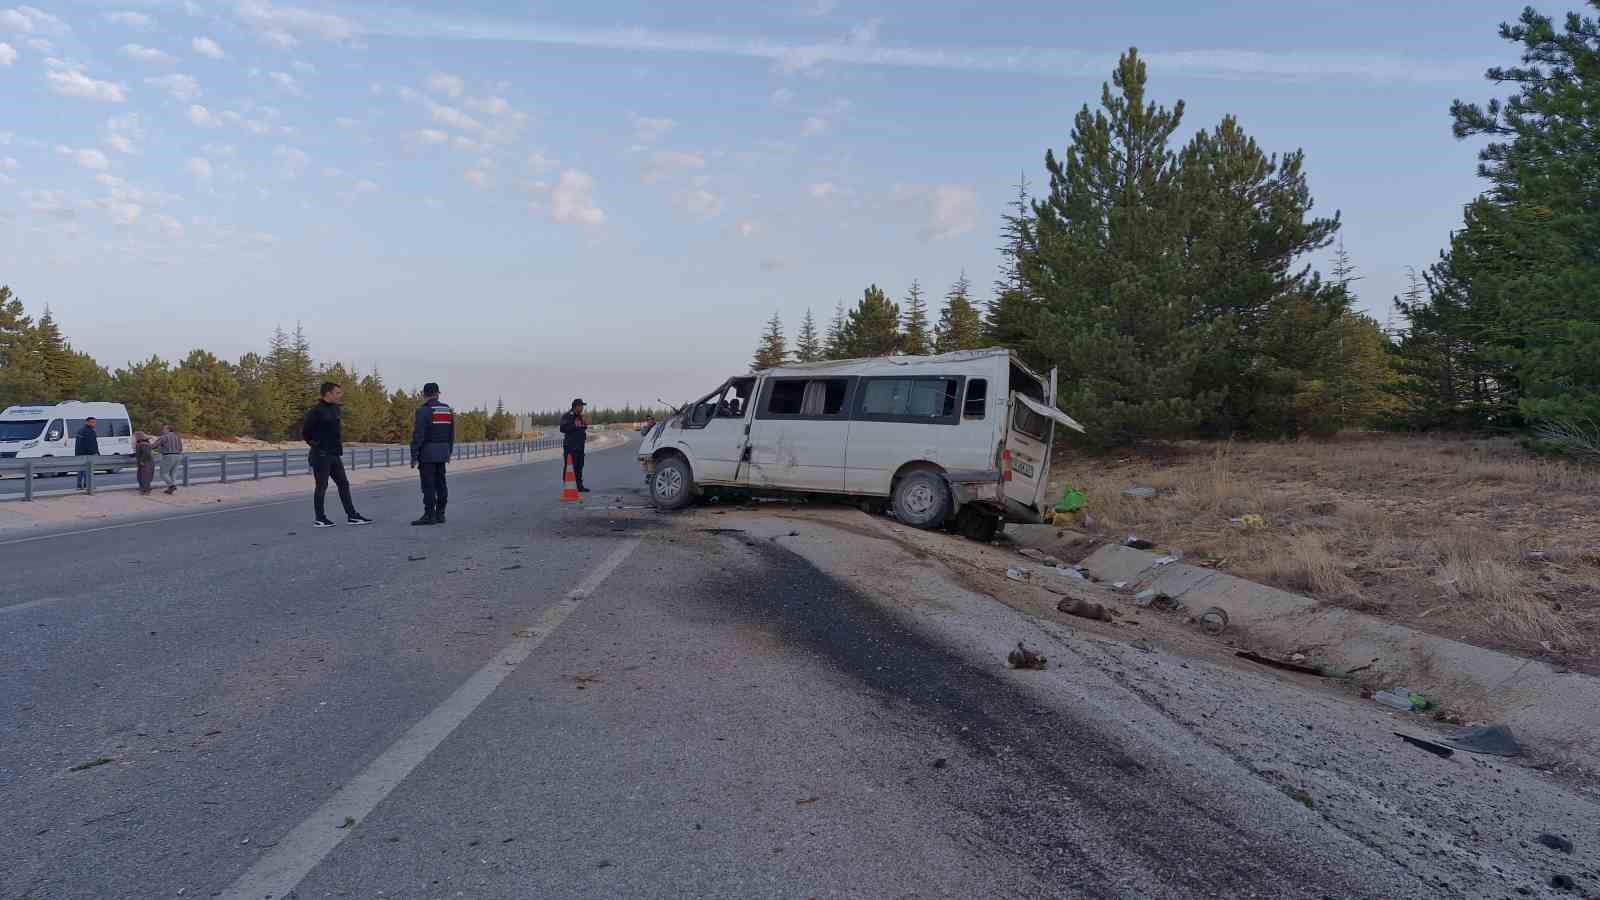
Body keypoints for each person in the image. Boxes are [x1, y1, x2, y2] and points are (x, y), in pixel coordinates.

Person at [301, 381, 372, 528]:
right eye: (337, 393)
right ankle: (320, 518)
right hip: (320, 455)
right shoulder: (315, 411)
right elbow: (306, 433)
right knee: (322, 486)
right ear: (328, 394)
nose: (341, 395)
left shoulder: (335, 409)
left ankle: (352, 516)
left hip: (334, 454)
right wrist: (318, 446)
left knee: (343, 484)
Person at [409, 382, 455, 526]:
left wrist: (414, 455)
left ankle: (429, 515)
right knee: (441, 484)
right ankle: (441, 514)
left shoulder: (424, 411)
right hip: (442, 453)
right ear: (437, 393)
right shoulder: (447, 410)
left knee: (428, 486)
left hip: (428, 454)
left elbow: (419, 435)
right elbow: (451, 434)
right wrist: (449, 452)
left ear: (424, 394)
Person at [559, 398, 590, 492]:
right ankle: (568, 486)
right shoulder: (568, 416)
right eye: (581, 406)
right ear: (576, 406)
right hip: (570, 447)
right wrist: (575, 426)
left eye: (582, 406)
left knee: (579, 466)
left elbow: (583, 426)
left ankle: (579, 486)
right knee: (570, 466)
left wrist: (583, 425)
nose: (582, 408)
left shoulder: (580, 416)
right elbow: (562, 428)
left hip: (580, 446)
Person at [156, 424, 184, 494]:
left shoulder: (164, 437)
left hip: (168, 456)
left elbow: (154, 445)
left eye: (164, 429)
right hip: (178, 456)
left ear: (168, 430)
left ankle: (172, 485)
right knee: (173, 473)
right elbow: (181, 448)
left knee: (163, 473)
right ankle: (170, 490)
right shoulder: (177, 437)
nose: (162, 430)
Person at [74, 417, 99, 490]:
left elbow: (78, 443)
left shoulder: (80, 430)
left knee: (80, 470)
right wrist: (95, 452)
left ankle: (79, 485)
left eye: (95, 422)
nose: (94, 424)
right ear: (87, 422)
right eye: (93, 422)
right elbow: (92, 444)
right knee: (88, 470)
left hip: (79, 453)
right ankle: (87, 485)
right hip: (87, 454)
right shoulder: (90, 431)